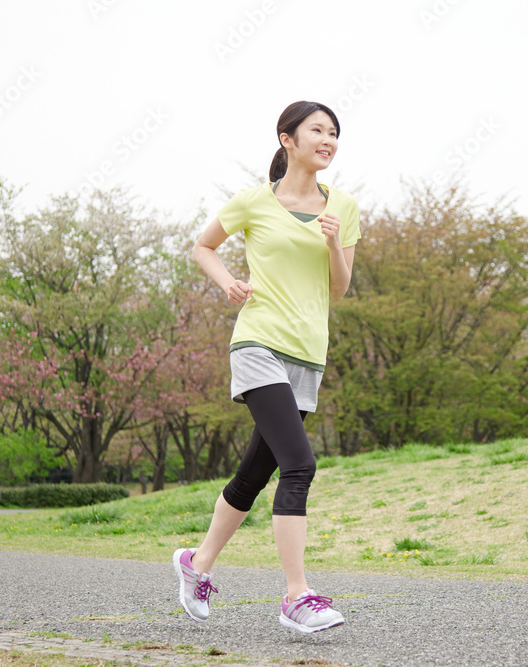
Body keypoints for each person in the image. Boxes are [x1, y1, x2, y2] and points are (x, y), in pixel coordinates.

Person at [173, 101, 360, 634]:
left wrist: (332, 244)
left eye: (334, 133)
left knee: (256, 472)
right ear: (288, 140)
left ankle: (197, 562)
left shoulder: (342, 206)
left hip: (307, 352)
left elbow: (338, 289)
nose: (328, 140)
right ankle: (297, 596)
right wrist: (227, 282)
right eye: (317, 131)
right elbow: (203, 246)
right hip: (258, 343)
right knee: (298, 465)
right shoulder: (255, 201)